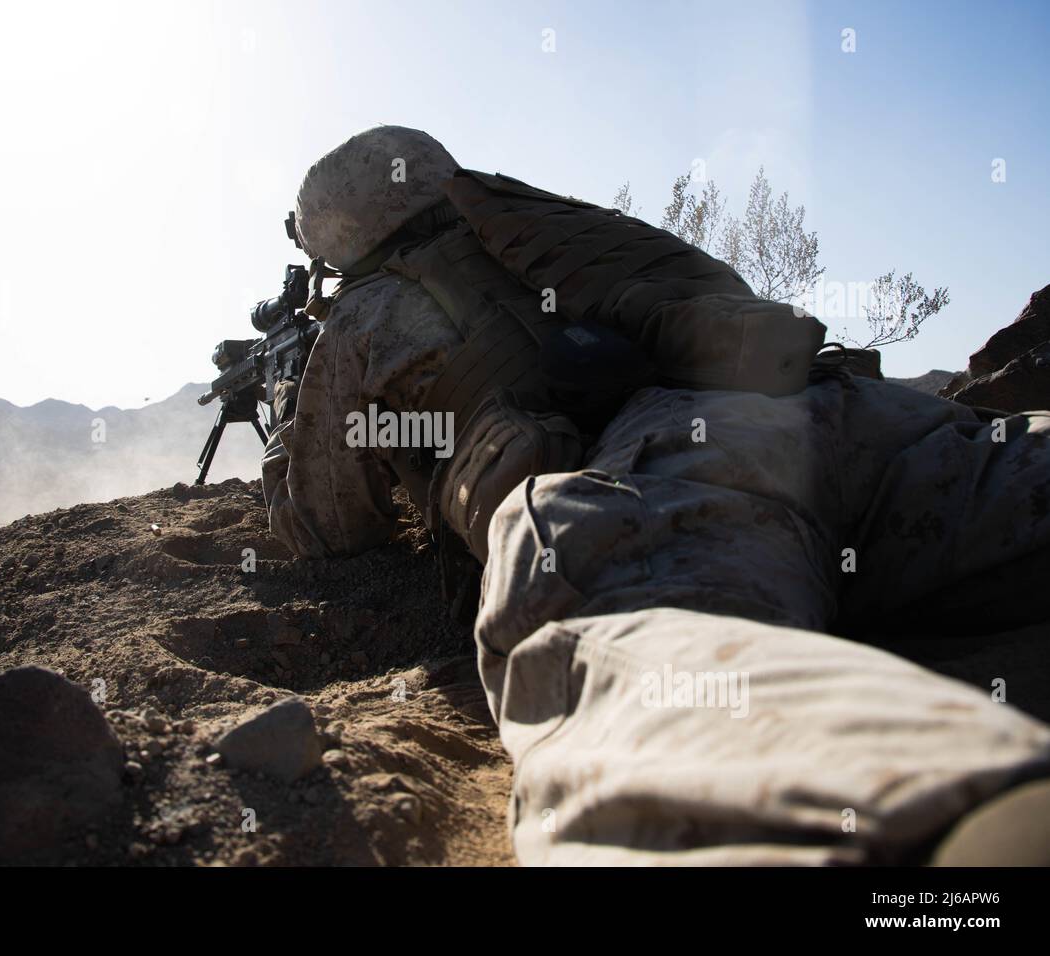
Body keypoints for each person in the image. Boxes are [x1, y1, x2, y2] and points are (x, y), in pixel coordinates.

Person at [262, 125, 1050, 865]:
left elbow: (330, 524)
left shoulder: (363, 312)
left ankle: (923, 822)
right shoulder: (551, 228)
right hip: (857, 414)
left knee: (635, 654)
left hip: (679, 470)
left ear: (340, 241)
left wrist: (283, 437)